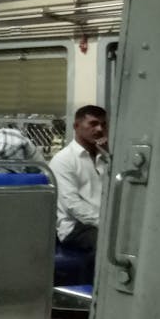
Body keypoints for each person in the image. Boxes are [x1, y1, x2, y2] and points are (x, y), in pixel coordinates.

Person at [49, 105, 109, 253]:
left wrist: (110, 154)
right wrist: (107, 223)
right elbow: (73, 205)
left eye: (103, 124)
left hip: (101, 221)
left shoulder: (104, 156)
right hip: (76, 227)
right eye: (93, 124)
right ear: (76, 126)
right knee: (112, 244)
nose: (100, 129)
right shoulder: (64, 160)